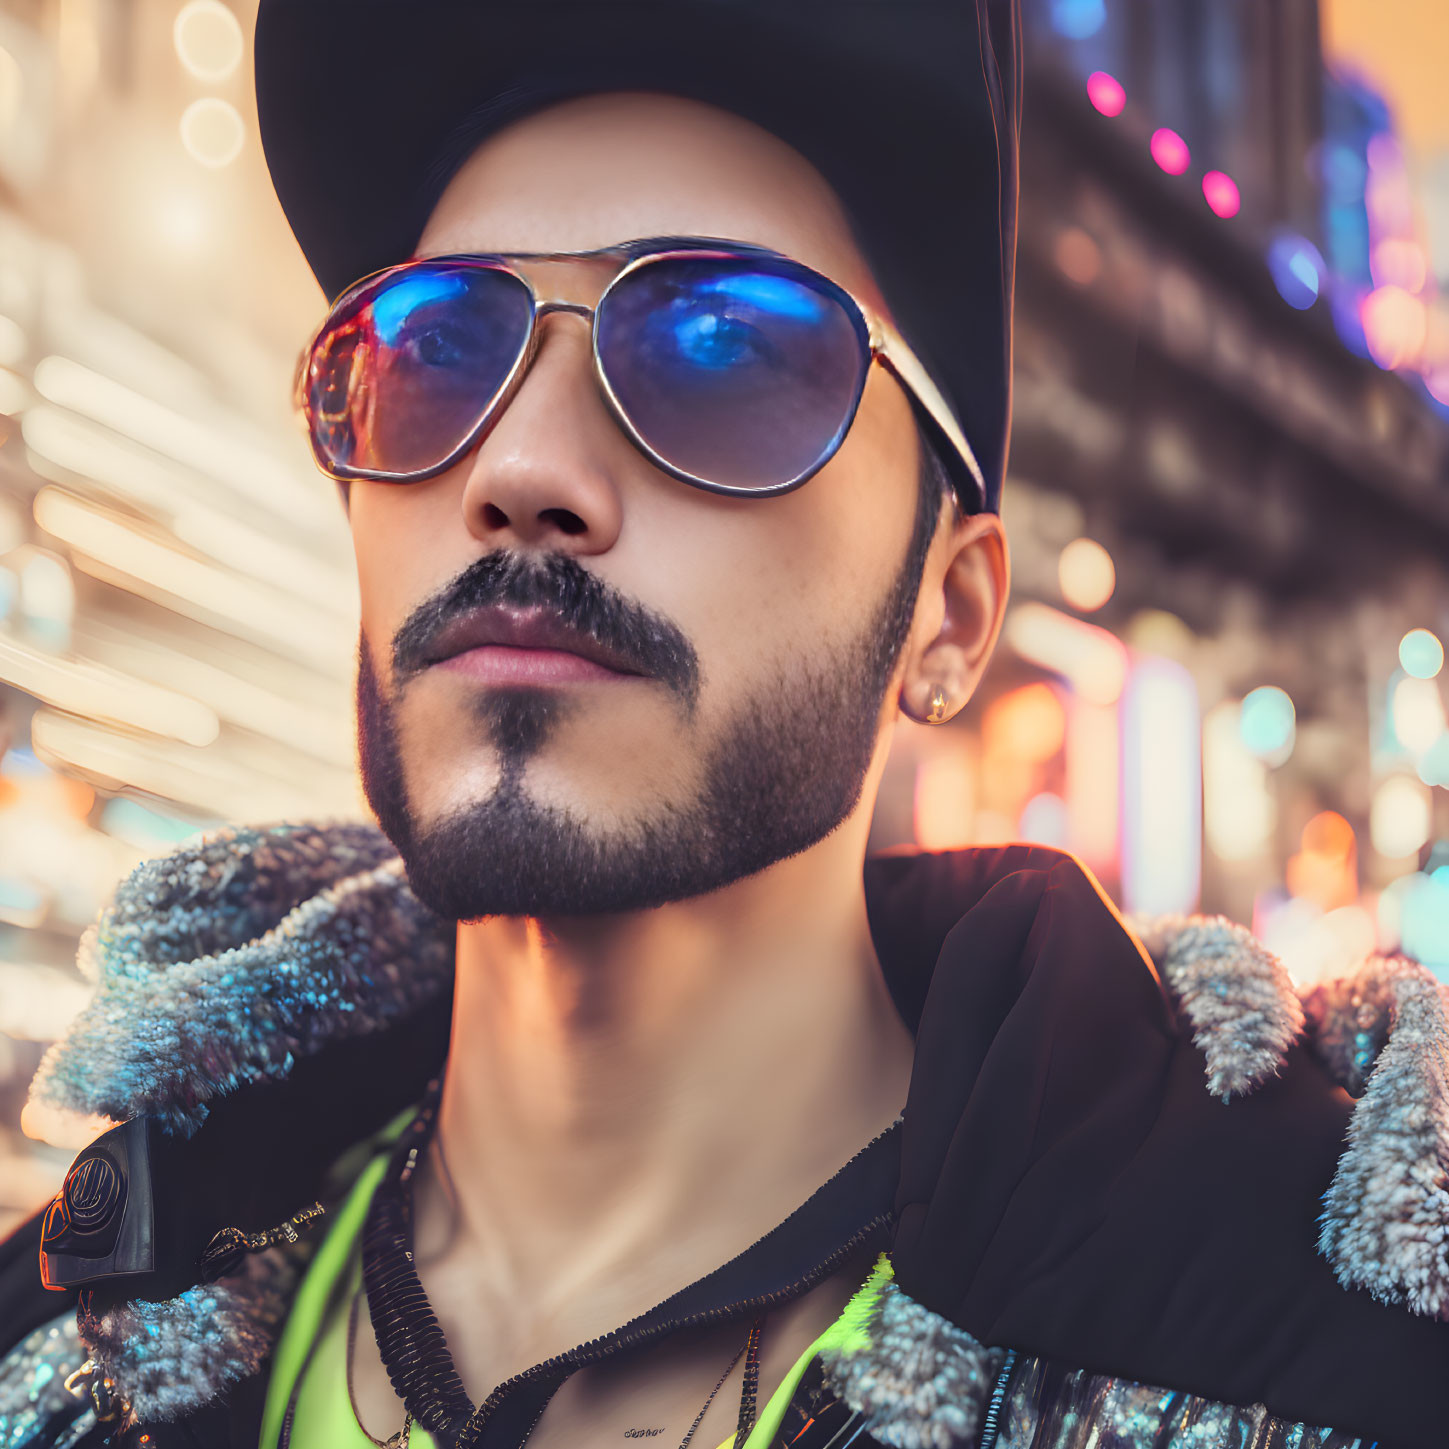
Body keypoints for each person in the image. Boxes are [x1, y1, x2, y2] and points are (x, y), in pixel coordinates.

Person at [2, 4, 1447, 1448]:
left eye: (720, 353)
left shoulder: (1312, 1378)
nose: (518, 467)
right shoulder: (69, 1341)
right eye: (434, 349)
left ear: (946, 613)